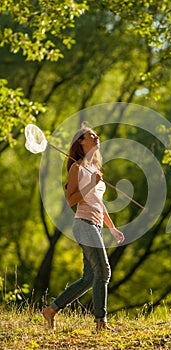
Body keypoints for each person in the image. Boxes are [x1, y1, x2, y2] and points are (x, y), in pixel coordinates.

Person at [42, 124, 125, 331]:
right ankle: (100, 322)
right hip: (83, 224)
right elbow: (71, 200)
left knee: (90, 278)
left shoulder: (95, 169)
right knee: (104, 272)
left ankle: (51, 310)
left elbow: (99, 203)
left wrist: (112, 228)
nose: (97, 137)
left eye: (96, 135)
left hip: (96, 226)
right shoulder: (76, 168)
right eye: (91, 135)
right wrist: (90, 184)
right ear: (81, 141)